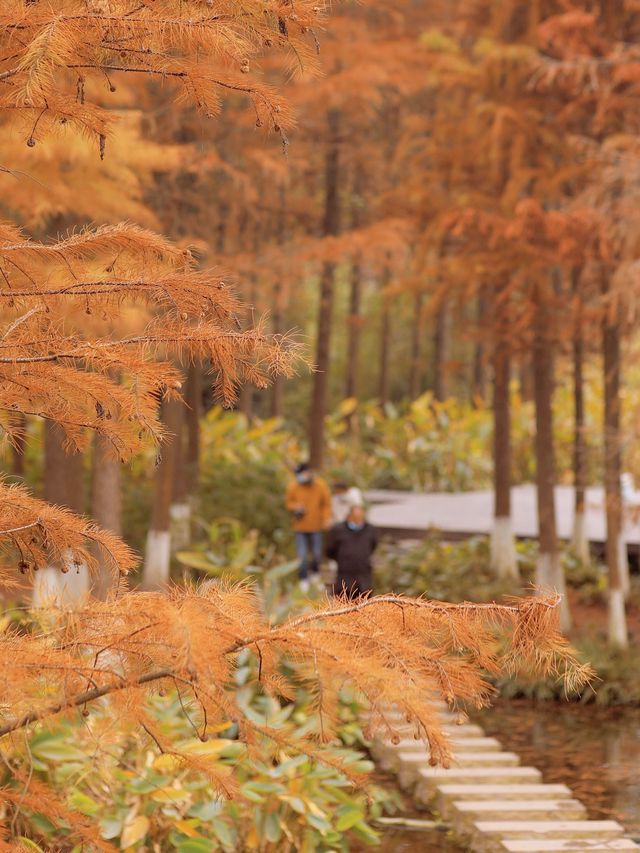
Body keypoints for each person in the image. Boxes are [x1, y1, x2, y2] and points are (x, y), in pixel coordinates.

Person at [286, 462, 332, 591]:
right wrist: (296, 507)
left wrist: (326, 518)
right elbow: (289, 502)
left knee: (317, 554)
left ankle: (315, 575)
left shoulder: (320, 486)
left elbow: (326, 504)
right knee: (303, 555)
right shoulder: (294, 486)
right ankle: (303, 578)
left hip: (316, 526)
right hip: (300, 527)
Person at [326, 505, 378, 598]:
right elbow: (330, 550)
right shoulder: (338, 530)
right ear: (349, 516)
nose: (358, 521)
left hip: (364, 576)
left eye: (360, 518)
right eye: (355, 518)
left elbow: (373, 546)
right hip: (344, 575)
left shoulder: (370, 530)